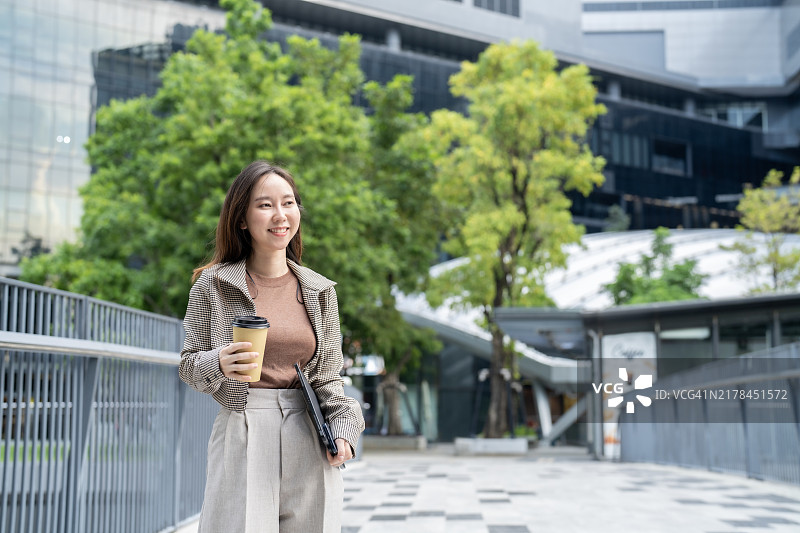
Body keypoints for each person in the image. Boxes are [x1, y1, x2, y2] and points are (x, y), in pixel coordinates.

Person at [179, 161, 364, 533]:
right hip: (244, 424)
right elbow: (188, 366)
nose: (280, 215)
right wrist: (219, 362)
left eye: (289, 202)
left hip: (308, 428)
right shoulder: (212, 285)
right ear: (242, 219)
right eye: (265, 205)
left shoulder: (319, 291)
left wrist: (344, 427)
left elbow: (328, 377)